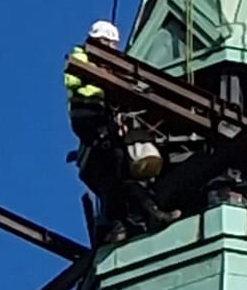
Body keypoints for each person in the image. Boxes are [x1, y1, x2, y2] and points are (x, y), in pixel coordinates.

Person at [64, 22, 170, 247]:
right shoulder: (81, 57)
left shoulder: (107, 65)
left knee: (119, 172)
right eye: (109, 43)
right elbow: (74, 81)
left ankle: (126, 223)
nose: (112, 47)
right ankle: (140, 218)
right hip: (89, 117)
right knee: (117, 171)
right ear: (100, 41)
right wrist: (105, 85)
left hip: (102, 122)